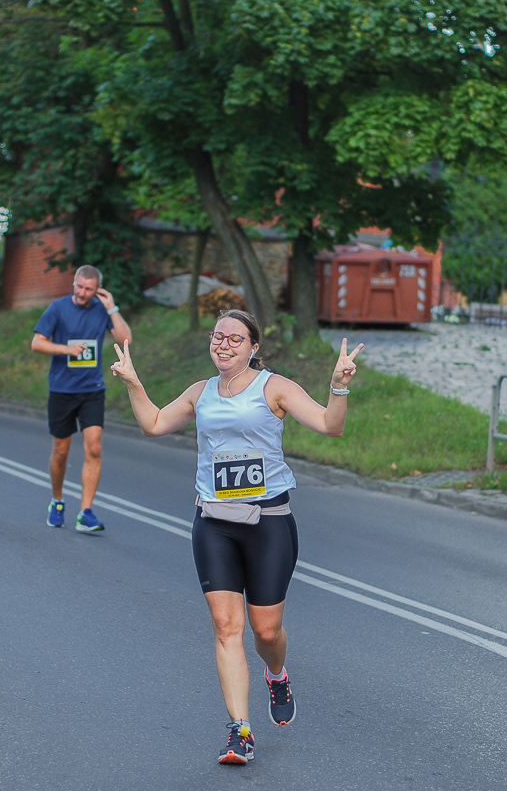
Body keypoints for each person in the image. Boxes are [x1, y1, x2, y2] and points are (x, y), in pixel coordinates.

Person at [109, 308, 363, 766]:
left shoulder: (275, 388)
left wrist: (339, 384)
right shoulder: (200, 393)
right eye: (217, 337)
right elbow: (154, 424)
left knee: (266, 631)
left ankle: (277, 673)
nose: (223, 345)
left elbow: (331, 425)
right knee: (228, 628)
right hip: (214, 521)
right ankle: (239, 731)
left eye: (235, 339)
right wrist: (132, 381)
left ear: (253, 347)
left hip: (268, 521)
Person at [30, 265, 132, 533]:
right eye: (79, 286)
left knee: (94, 447)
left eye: (88, 289)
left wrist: (112, 308)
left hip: (92, 389)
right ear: (73, 283)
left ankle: (85, 512)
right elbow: (37, 342)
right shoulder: (58, 308)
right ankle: (58, 500)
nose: (82, 293)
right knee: (61, 452)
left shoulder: (101, 309)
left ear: (97, 288)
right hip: (62, 389)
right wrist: (66, 349)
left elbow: (126, 340)